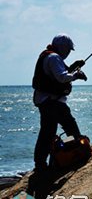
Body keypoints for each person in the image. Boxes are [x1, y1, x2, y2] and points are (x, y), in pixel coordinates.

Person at [32, 34, 87, 172]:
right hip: (52, 102)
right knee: (68, 127)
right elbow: (62, 77)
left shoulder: (49, 56)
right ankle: (76, 151)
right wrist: (76, 75)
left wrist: (73, 67)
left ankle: (44, 162)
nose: (68, 52)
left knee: (48, 132)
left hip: (47, 101)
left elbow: (57, 75)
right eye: (68, 49)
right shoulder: (54, 57)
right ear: (62, 47)